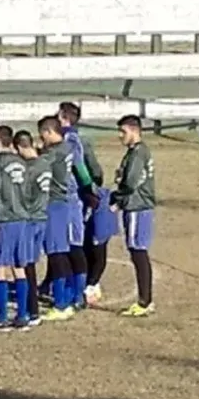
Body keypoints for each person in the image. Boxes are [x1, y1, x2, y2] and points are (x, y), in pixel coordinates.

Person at [0, 126, 32, 329]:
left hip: (3, 219)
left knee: (0, 268)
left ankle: (2, 316)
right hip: (22, 218)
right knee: (19, 267)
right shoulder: (22, 162)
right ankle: (22, 315)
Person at [111, 115, 157, 317]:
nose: (120, 135)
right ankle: (145, 300)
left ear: (134, 130)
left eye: (123, 131)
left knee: (138, 251)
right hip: (137, 206)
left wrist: (117, 197)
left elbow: (130, 182)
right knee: (137, 251)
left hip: (137, 206)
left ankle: (144, 301)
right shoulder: (137, 152)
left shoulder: (138, 153)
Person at [37, 116, 79, 321]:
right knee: (62, 252)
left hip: (53, 204)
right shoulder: (68, 148)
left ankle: (61, 303)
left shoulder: (52, 153)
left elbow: (35, 167)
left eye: (42, 135)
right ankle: (70, 297)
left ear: (48, 132)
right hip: (63, 204)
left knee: (56, 254)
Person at [57, 102, 96, 310]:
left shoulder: (71, 141)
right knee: (64, 245)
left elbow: (80, 169)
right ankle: (67, 288)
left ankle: (78, 292)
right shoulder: (64, 139)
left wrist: (89, 191)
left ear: (64, 118)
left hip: (72, 199)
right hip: (63, 199)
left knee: (74, 245)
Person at [14, 130, 50, 326]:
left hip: (29, 219)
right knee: (30, 264)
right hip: (42, 216)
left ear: (19, 147)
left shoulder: (28, 169)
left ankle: (32, 310)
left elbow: (23, 194)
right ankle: (32, 308)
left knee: (25, 265)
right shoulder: (45, 163)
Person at [84, 185, 119, 306]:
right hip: (97, 221)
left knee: (97, 256)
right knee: (94, 255)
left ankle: (91, 284)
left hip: (99, 222)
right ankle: (90, 284)